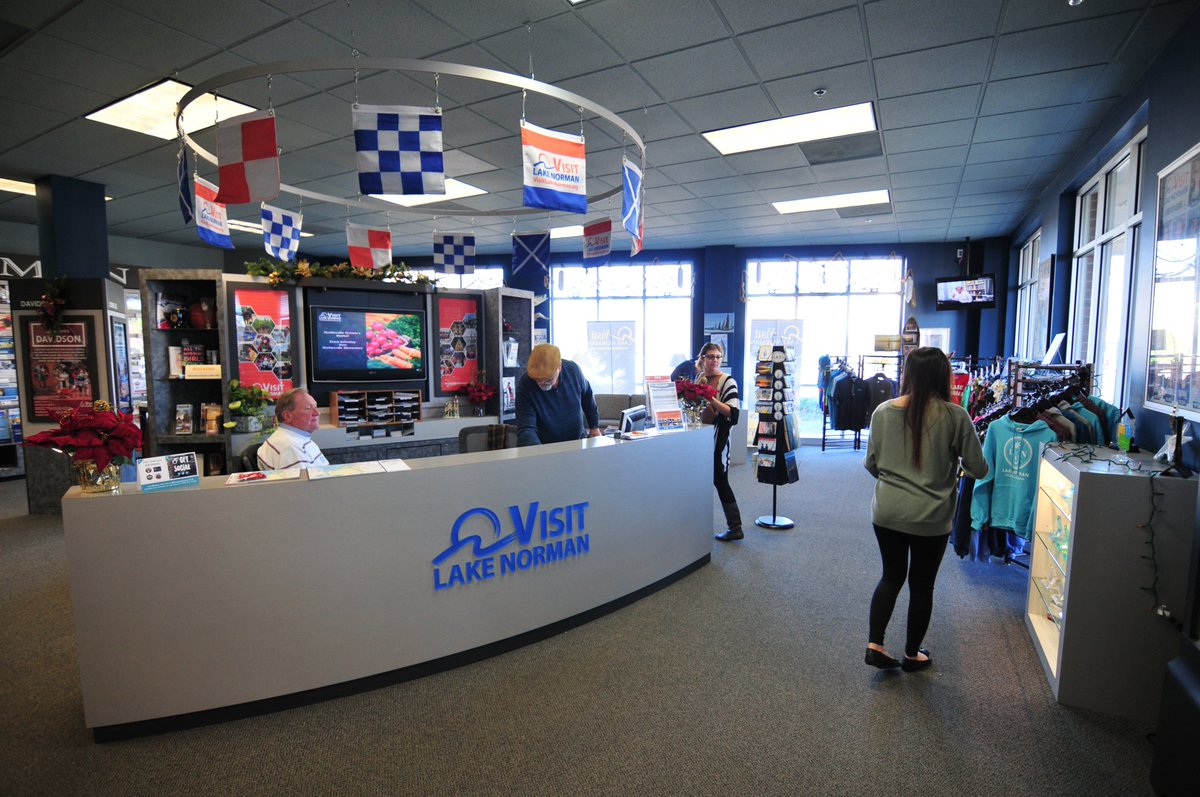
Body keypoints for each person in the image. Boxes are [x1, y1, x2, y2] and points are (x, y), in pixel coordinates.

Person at [862, 347, 988, 672]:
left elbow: (872, 464)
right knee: (921, 585)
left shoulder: (882, 411)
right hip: (931, 517)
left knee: (891, 576)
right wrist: (953, 469)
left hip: (887, 512)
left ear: (908, 375)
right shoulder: (955, 415)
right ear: (942, 376)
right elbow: (979, 468)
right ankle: (912, 653)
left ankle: (875, 643)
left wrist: (895, 481)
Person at [696, 342, 744, 542]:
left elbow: (733, 414)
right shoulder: (699, 378)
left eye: (718, 357)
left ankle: (735, 527)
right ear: (703, 358)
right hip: (699, 437)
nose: (714, 360)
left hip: (719, 439)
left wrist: (710, 398)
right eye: (710, 356)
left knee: (720, 480)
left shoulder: (728, 381)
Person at [515, 344, 601, 446]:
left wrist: (594, 426)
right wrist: (537, 454)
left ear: (559, 367)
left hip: (578, 441)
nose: (542, 384)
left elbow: (587, 396)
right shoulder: (525, 385)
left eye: (548, 379)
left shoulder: (573, 371)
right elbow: (527, 429)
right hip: (546, 446)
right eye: (537, 380)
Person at [257, 387, 330, 470]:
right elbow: (305, 483)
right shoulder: (290, 448)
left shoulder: (298, 438)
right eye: (308, 408)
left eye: (315, 406)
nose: (317, 412)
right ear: (288, 416)